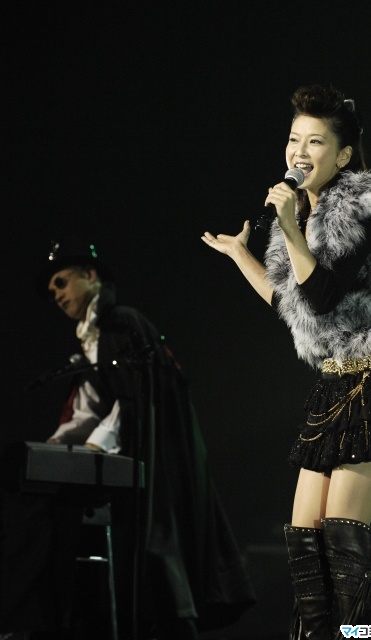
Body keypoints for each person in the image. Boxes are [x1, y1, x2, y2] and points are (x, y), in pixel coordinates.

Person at [201, 83, 371, 638]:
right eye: (294, 138)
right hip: (333, 385)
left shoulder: (368, 207)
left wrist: (290, 227)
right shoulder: (301, 215)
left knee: (342, 540)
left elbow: (322, 295)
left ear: (343, 155)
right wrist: (242, 255)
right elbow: (295, 306)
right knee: (306, 543)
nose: (299, 152)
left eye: (315, 141)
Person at [0, 238, 255, 640]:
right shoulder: (94, 337)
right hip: (128, 461)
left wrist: (94, 448)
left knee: (158, 547)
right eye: (52, 292)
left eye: (61, 283)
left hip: (154, 461)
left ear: (90, 275)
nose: (57, 295)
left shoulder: (123, 323)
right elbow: (90, 408)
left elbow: (132, 402)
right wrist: (55, 447)